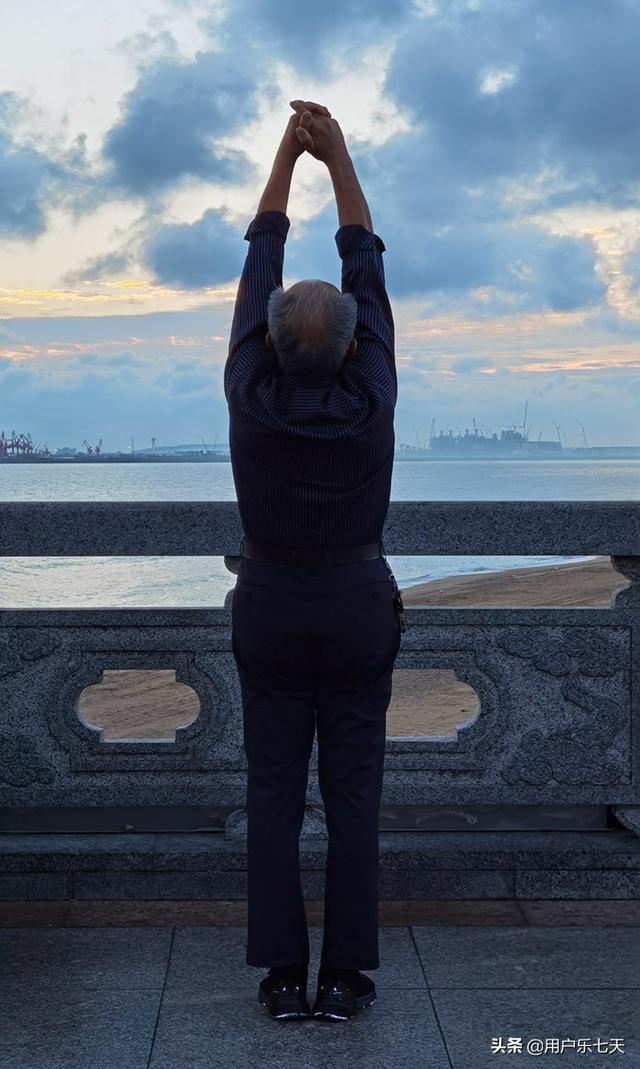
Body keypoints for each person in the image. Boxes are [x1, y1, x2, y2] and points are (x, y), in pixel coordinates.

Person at [225, 98, 404, 1022]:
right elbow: (364, 274)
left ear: (266, 341)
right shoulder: (371, 398)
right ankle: (344, 976)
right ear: (350, 350)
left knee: (272, 790)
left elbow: (261, 260)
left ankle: (282, 977)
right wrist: (338, 160)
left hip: (268, 600)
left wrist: (284, 161)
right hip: (355, 602)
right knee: (353, 790)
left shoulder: (250, 395)